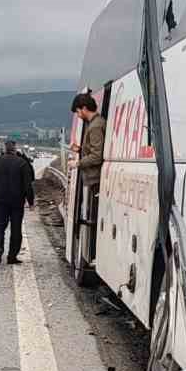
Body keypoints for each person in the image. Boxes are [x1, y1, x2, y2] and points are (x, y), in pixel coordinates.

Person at [69, 92, 106, 261]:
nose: (78, 115)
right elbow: (92, 150)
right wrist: (79, 149)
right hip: (91, 179)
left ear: (84, 108)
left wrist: (77, 163)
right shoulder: (94, 124)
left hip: (94, 179)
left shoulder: (95, 126)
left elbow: (97, 156)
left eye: (78, 111)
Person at [0, 138, 34, 265]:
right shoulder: (22, 163)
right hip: (17, 201)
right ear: (15, 149)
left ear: (4, 148)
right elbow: (28, 183)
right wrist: (31, 201)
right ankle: (12, 256)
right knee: (16, 228)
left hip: (0, 199)